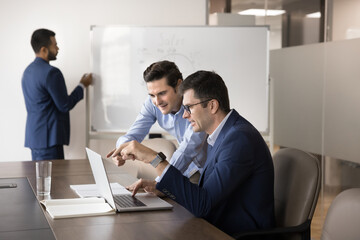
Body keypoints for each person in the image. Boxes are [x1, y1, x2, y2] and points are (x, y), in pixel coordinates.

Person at [115, 70, 275, 236]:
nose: (184, 115)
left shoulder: (239, 139)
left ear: (212, 106)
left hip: (236, 233)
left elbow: (202, 205)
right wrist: (162, 186)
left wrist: (155, 159)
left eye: (189, 108)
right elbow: (207, 193)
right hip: (219, 225)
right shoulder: (222, 134)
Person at [107, 60, 207, 183]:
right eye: (152, 95)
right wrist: (122, 150)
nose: (157, 101)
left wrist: (159, 183)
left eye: (162, 93)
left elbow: (188, 150)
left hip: (212, 169)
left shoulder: (195, 103)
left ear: (179, 85)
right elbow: (132, 135)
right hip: (189, 169)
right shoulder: (152, 104)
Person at [22, 28, 92, 160]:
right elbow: (64, 105)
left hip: (34, 138)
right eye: (54, 45)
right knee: (53, 180)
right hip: (49, 140)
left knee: (39, 179)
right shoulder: (51, 73)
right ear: (43, 49)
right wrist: (82, 85)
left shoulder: (27, 72)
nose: (58, 48)